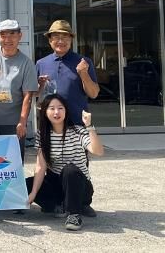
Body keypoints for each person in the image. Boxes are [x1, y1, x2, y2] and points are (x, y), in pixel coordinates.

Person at [27, 94, 104, 231]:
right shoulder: (43, 134)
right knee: (27, 184)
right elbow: (40, 166)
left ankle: (74, 214)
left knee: (70, 170)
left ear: (66, 111)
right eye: (52, 108)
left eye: (60, 108)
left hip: (80, 186)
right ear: (45, 112)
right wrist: (33, 193)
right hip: (58, 184)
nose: (56, 112)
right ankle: (59, 206)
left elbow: (98, 151)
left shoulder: (78, 131)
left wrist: (89, 126)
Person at [0, 19, 38, 162]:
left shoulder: (26, 63)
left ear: (20, 36)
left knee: (12, 163)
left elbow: (27, 96)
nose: (8, 39)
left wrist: (22, 122)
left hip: (13, 124)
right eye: (3, 35)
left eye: (12, 34)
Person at [36, 20, 100, 125]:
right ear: (50, 40)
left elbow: (93, 94)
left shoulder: (84, 62)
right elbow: (35, 94)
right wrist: (41, 85)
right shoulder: (41, 63)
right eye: (56, 37)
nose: (61, 41)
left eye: (65, 37)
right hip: (49, 124)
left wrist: (83, 74)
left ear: (71, 39)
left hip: (76, 123)